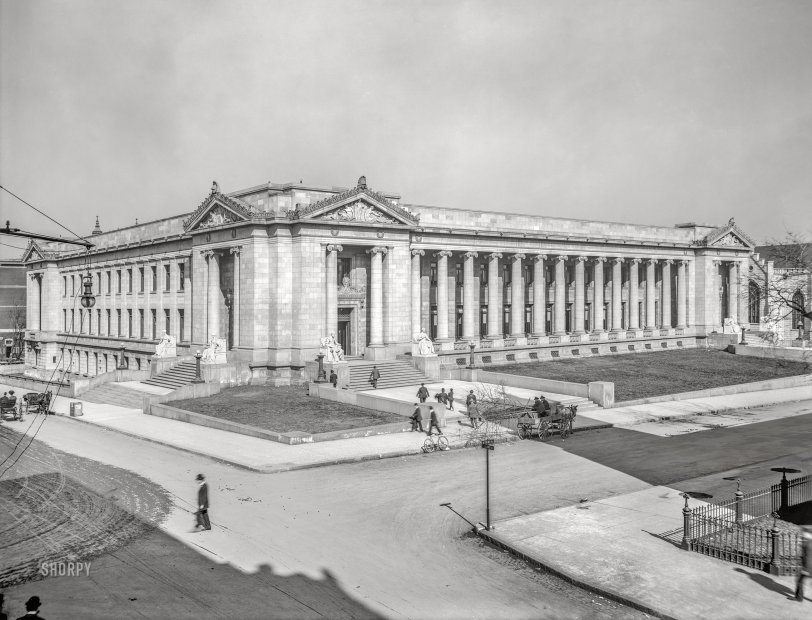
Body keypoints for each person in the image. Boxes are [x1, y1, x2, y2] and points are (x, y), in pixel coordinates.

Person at [796, 526, 812, 602]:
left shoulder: (807, 543)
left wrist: (805, 569)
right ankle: (799, 597)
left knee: (800, 581)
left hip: (808, 566)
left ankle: (799, 597)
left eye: (804, 533)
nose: (802, 534)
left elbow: (808, 556)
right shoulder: (808, 541)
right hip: (809, 566)